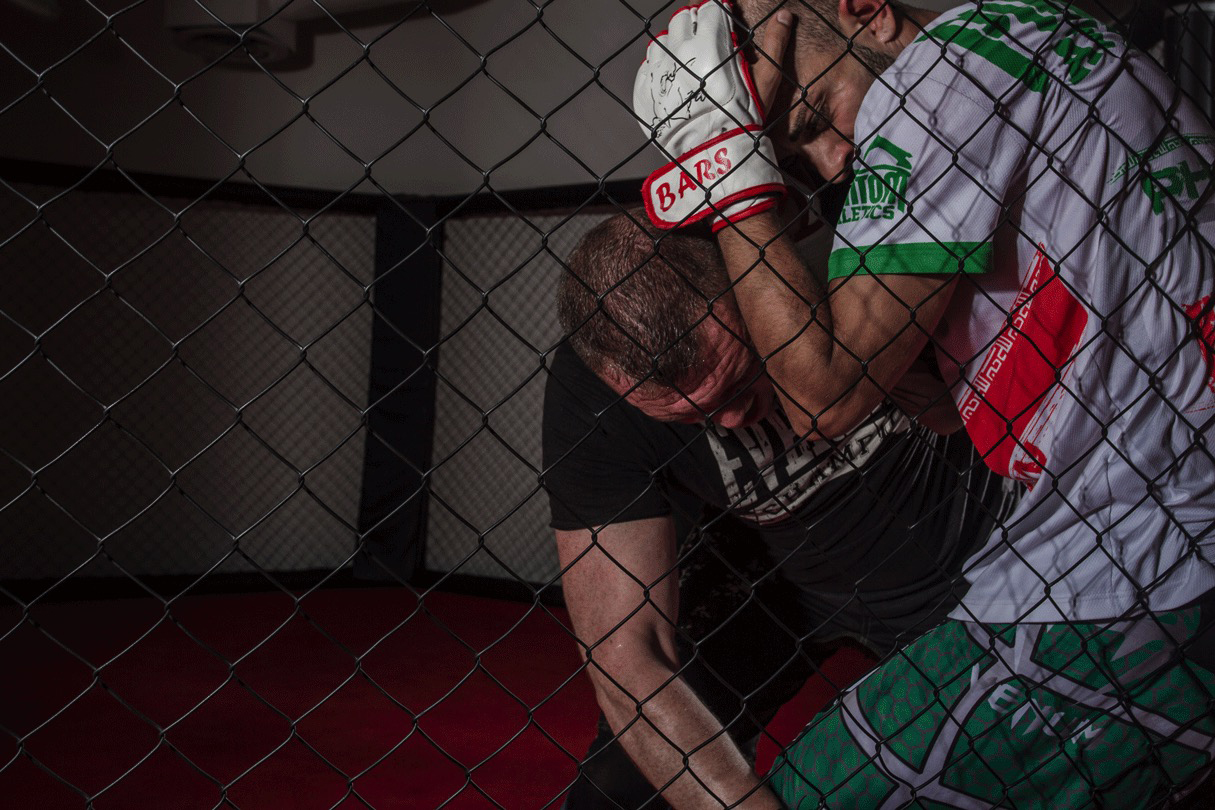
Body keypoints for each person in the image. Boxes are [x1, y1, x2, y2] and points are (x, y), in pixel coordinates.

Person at [631, 0, 1215, 806]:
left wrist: (726, 164)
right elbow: (947, 411)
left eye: (816, 115)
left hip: (1134, 567)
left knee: (807, 794)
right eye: (795, 154)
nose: (834, 162)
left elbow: (820, 400)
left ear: (864, 11)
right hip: (1157, 528)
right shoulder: (1035, 39)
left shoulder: (936, 77)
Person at [544, 209, 1017, 808]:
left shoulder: (841, 250)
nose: (732, 421)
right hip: (783, 578)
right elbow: (626, 654)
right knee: (616, 792)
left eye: (739, 382)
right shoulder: (587, 395)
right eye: (691, 417)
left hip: (959, 540)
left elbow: (974, 409)